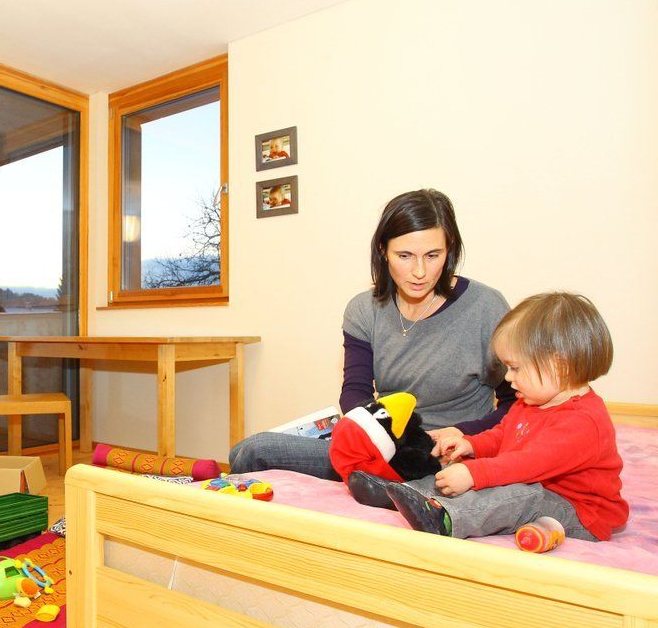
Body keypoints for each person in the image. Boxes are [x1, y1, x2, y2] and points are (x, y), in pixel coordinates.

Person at [230, 188, 514, 478]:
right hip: (382, 444)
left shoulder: (485, 306)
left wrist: (463, 433)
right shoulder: (364, 309)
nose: (419, 271)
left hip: (448, 453)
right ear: (383, 250)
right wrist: (380, 435)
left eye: (432, 255)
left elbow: (517, 405)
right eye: (404, 255)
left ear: (449, 249)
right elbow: (355, 391)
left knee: (255, 451)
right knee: (248, 451)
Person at [375, 292, 627, 541]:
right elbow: (504, 435)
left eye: (515, 368)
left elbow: (527, 464)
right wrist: (472, 445)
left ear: (559, 366)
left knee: (516, 493)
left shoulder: (583, 422)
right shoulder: (529, 402)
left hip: (579, 512)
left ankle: (447, 517)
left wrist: (474, 473)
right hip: (535, 484)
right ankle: (403, 493)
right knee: (462, 472)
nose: (508, 377)